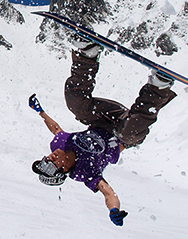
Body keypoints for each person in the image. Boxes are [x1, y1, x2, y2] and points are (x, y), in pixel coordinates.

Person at [30, 37, 176, 226]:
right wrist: (114, 210)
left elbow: (56, 129)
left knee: (76, 105)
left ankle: (88, 55)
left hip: (103, 117)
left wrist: (40, 111)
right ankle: (158, 87)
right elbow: (108, 192)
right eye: (50, 164)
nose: (49, 157)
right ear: (63, 169)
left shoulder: (58, 144)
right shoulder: (85, 173)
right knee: (128, 133)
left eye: (45, 160)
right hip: (124, 131)